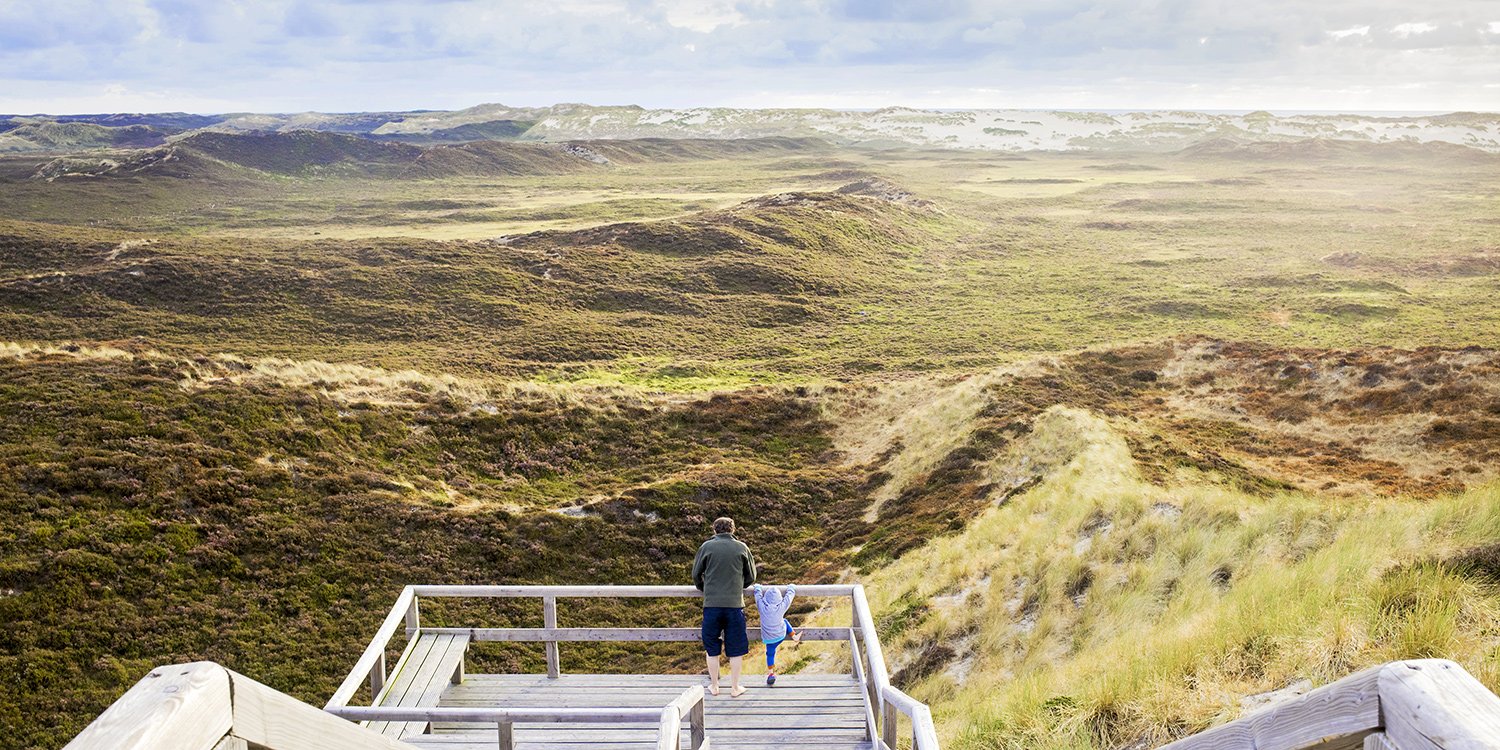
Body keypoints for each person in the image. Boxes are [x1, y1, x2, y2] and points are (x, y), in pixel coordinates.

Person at [692, 516, 756, 697]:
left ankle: (714, 686)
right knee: (735, 648)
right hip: (735, 605)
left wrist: (705, 589)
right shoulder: (742, 548)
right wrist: (738, 587)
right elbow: (751, 576)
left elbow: (696, 574)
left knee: (711, 647)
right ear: (732, 530)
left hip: (711, 605)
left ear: (714, 530)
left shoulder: (706, 547)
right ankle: (735, 688)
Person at [753, 583, 802, 685]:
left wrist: (757, 588)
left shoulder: (761, 606)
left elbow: (758, 596)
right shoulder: (781, 606)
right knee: (784, 621)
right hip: (780, 635)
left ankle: (771, 674)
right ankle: (794, 636)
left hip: (768, 638)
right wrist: (791, 588)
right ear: (779, 599)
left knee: (770, 654)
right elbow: (788, 598)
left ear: (766, 599)